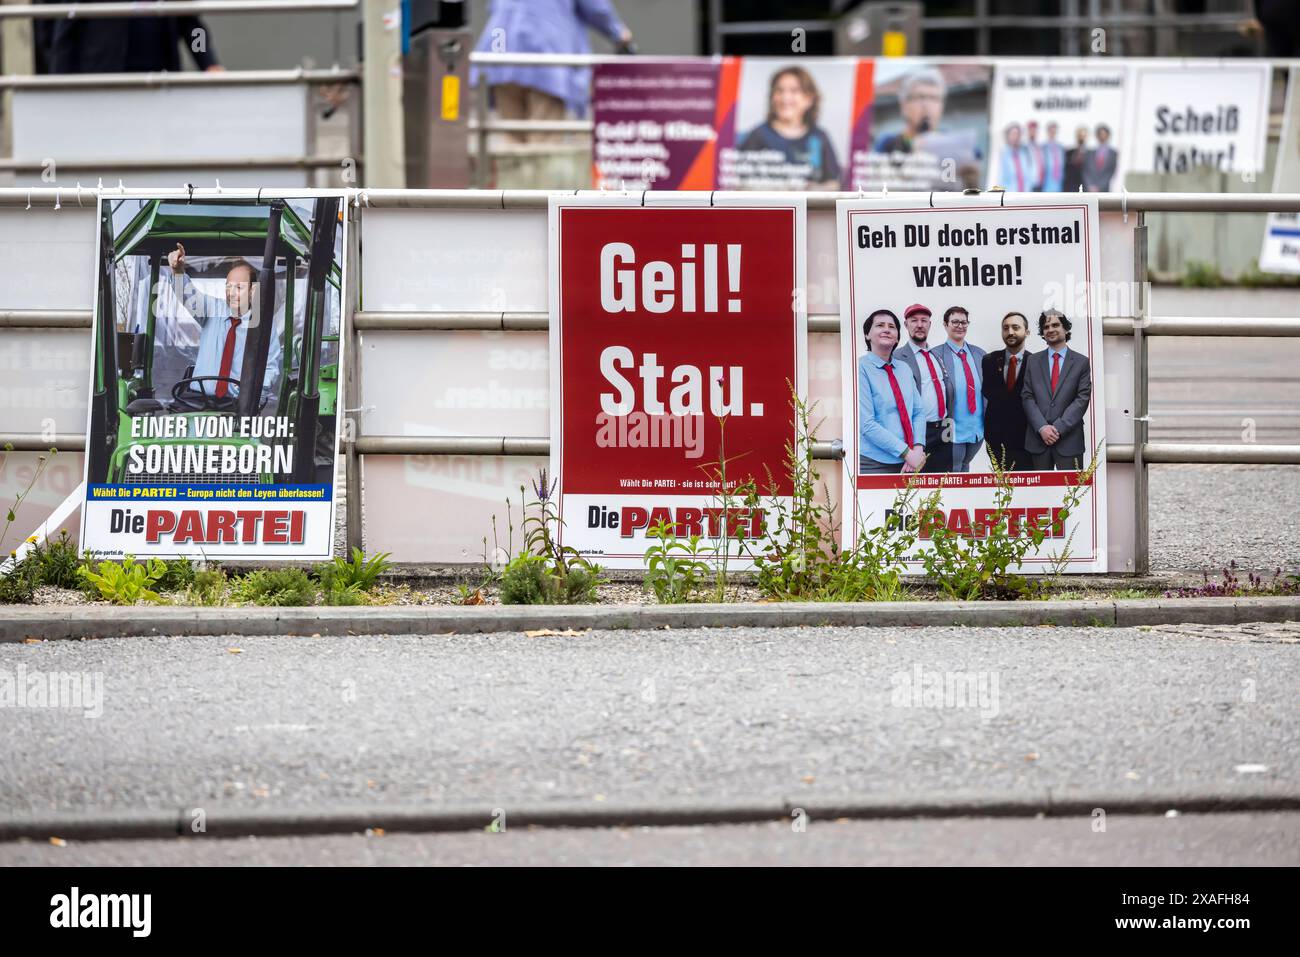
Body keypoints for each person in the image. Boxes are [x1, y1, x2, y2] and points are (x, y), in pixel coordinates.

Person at [471, 0, 634, 144]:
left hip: (502, 54)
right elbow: (596, 9)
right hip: (546, 58)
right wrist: (619, 33)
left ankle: (513, 170)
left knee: (512, 142)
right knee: (543, 143)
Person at [162, 244, 281, 402]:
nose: (231, 293)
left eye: (239, 287)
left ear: (252, 291)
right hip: (198, 402)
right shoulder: (212, 309)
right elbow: (188, 296)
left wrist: (251, 394)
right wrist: (178, 271)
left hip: (238, 404)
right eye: (228, 286)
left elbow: (270, 368)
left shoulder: (263, 327)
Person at [42, 0, 223, 74]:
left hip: (160, 79)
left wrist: (209, 62)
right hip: (104, 78)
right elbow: (66, 30)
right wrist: (60, 79)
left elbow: (194, 28)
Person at [738, 66, 842, 188]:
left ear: (809, 99)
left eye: (794, 91)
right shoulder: (758, 135)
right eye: (779, 91)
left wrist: (813, 191)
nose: (785, 98)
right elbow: (740, 181)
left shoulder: (819, 137)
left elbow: (833, 183)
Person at [857, 309, 927, 475]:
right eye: (880, 325)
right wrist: (906, 452)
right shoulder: (859, 367)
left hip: (909, 461)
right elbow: (867, 424)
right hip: (874, 462)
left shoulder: (904, 368)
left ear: (897, 337)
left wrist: (917, 448)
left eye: (892, 327)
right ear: (867, 334)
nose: (886, 330)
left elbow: (918, 412)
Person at [1021, 309, 1092, 471]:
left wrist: (1058, 428)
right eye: (1046, 327)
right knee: (1039, 488)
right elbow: (1027, 396)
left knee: (1071, 487)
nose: (1050, 329)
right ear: (1042, 333)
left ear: (1065, 329)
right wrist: (1042, 427)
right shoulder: (1032, 361)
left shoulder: (1081, 362)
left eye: (1055, 325)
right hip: (1038, 440)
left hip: (1069, 440)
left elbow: (1082, 399)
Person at [892, 303, 954, 473]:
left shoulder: (936, 355)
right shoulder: (897, 357)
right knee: (917, 482)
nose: (919, 325)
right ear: (906, 325)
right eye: (914, 320)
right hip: (918, 434)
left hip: (944, 430)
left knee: (944, 481)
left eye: (924, 320)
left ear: (930, 325)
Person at [931, 306, 985, 472]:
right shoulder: (935, 355)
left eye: (963, 322)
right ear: (945, 325)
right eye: (955, 322)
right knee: (952, 471)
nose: (960, 326)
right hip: (951, 427)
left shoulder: (980, 354)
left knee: (965, 467)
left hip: (976, 427)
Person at [981, 311, 1034, 472]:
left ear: (1027, 332)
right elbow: (988, 393)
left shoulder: (1035, 362)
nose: (1010, 332)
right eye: (1006, 328)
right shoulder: (989, 360)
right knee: (1001, 486)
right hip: (996, 440)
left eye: (1015, 327)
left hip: (1026, 441)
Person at [873, 67, 946, 155]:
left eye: (934, 98)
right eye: (920, 97)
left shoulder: (948, 142)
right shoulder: (888, 144)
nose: (927, 105)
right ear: (904, 105)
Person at [1083, 124, 1118, 192]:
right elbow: (1085, 171)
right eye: (1100, 134)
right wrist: (1090, 185)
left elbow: (1110, 172)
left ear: (1108, 135)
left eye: (1104, 134)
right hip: (1089, 189)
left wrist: (1099, 186)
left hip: (1104, 188)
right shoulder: (1090, 153)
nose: (1102, 136)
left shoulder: (1113, 154)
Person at [998, 123, 1032, 192]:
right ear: (1008, 136)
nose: (1016, 137)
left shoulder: (1023, 153)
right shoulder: (1004, 153)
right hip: (1009, 194)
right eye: (1013, 134)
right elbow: (1000, 177)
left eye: (1018, 134)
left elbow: (1028, 175)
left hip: (1025, 193)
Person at [1040, 122, 1067, 193]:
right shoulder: (1043, 147)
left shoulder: (1060, 147)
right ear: (1048, 132)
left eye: (1054, 131)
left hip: (1059, 182)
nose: (1053, 133)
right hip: (1047, 181)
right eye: (1051, 131)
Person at [1063, 125, 1089, 194]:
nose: (1081, 138)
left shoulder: (1090, 154)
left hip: (1086, 187)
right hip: (1071, 187)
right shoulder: (1069, 152)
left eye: (1083, 136)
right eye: (1079, 135)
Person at [1024, 120, 1046, 191]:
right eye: (1031, 130)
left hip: (1040, 183)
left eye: (1035, 130)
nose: (1033, 132)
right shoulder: (1024, 147)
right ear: (1028, 131)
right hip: (1029, 184)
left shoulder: (1039, 147)